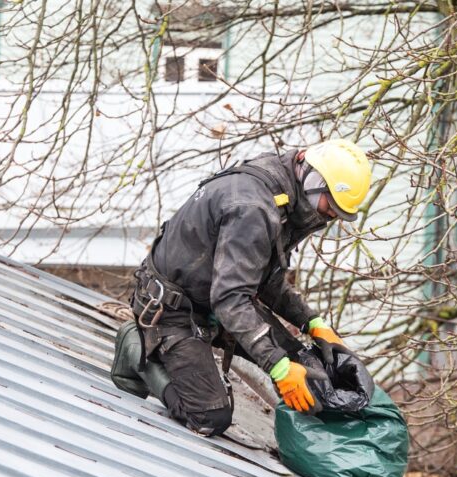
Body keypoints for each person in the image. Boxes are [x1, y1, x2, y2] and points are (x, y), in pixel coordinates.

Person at [110, 139, 372, 436]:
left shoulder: (285, 194)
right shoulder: (253, 208)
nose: (332, 215)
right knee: (209, 416)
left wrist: (312, 323)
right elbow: (231, 300)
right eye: (331, 205)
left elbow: (264, 279)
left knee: (308, 366)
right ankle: (135, 346)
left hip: (215, 300)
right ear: (314, 179)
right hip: (172, 310)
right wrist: (278, 366)